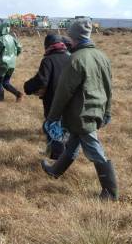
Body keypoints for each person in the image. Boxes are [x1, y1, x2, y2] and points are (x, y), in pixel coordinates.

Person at [40, 19, 118, 201]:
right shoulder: (102, 56)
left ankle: (110, 191)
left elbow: (62, 92)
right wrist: (107, 111)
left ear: (74, 37)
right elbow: (109, 87)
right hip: (96, 110)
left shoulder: (75, 59)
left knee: (94, 149)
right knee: (73, 142)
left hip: (82, 114)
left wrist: (52, 117)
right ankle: (55, 170)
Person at [24, 34, 70, 159]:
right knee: (63, 127)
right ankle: (55, 152)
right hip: (70, 100)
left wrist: (27, 87)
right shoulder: (70, 57)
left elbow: (42, 80)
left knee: (52, 128)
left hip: (53, 101)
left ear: (47, 45)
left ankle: (56, 160)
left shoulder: (48, 60)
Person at [0, 22, 23, 102]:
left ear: (1, 29)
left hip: (3, 64)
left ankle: (1, 99)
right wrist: (14, 56)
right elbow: (19, 47)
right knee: (5, 82)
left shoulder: (1, 39)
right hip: (12, 64)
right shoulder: (12, 38)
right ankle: (18, 94)